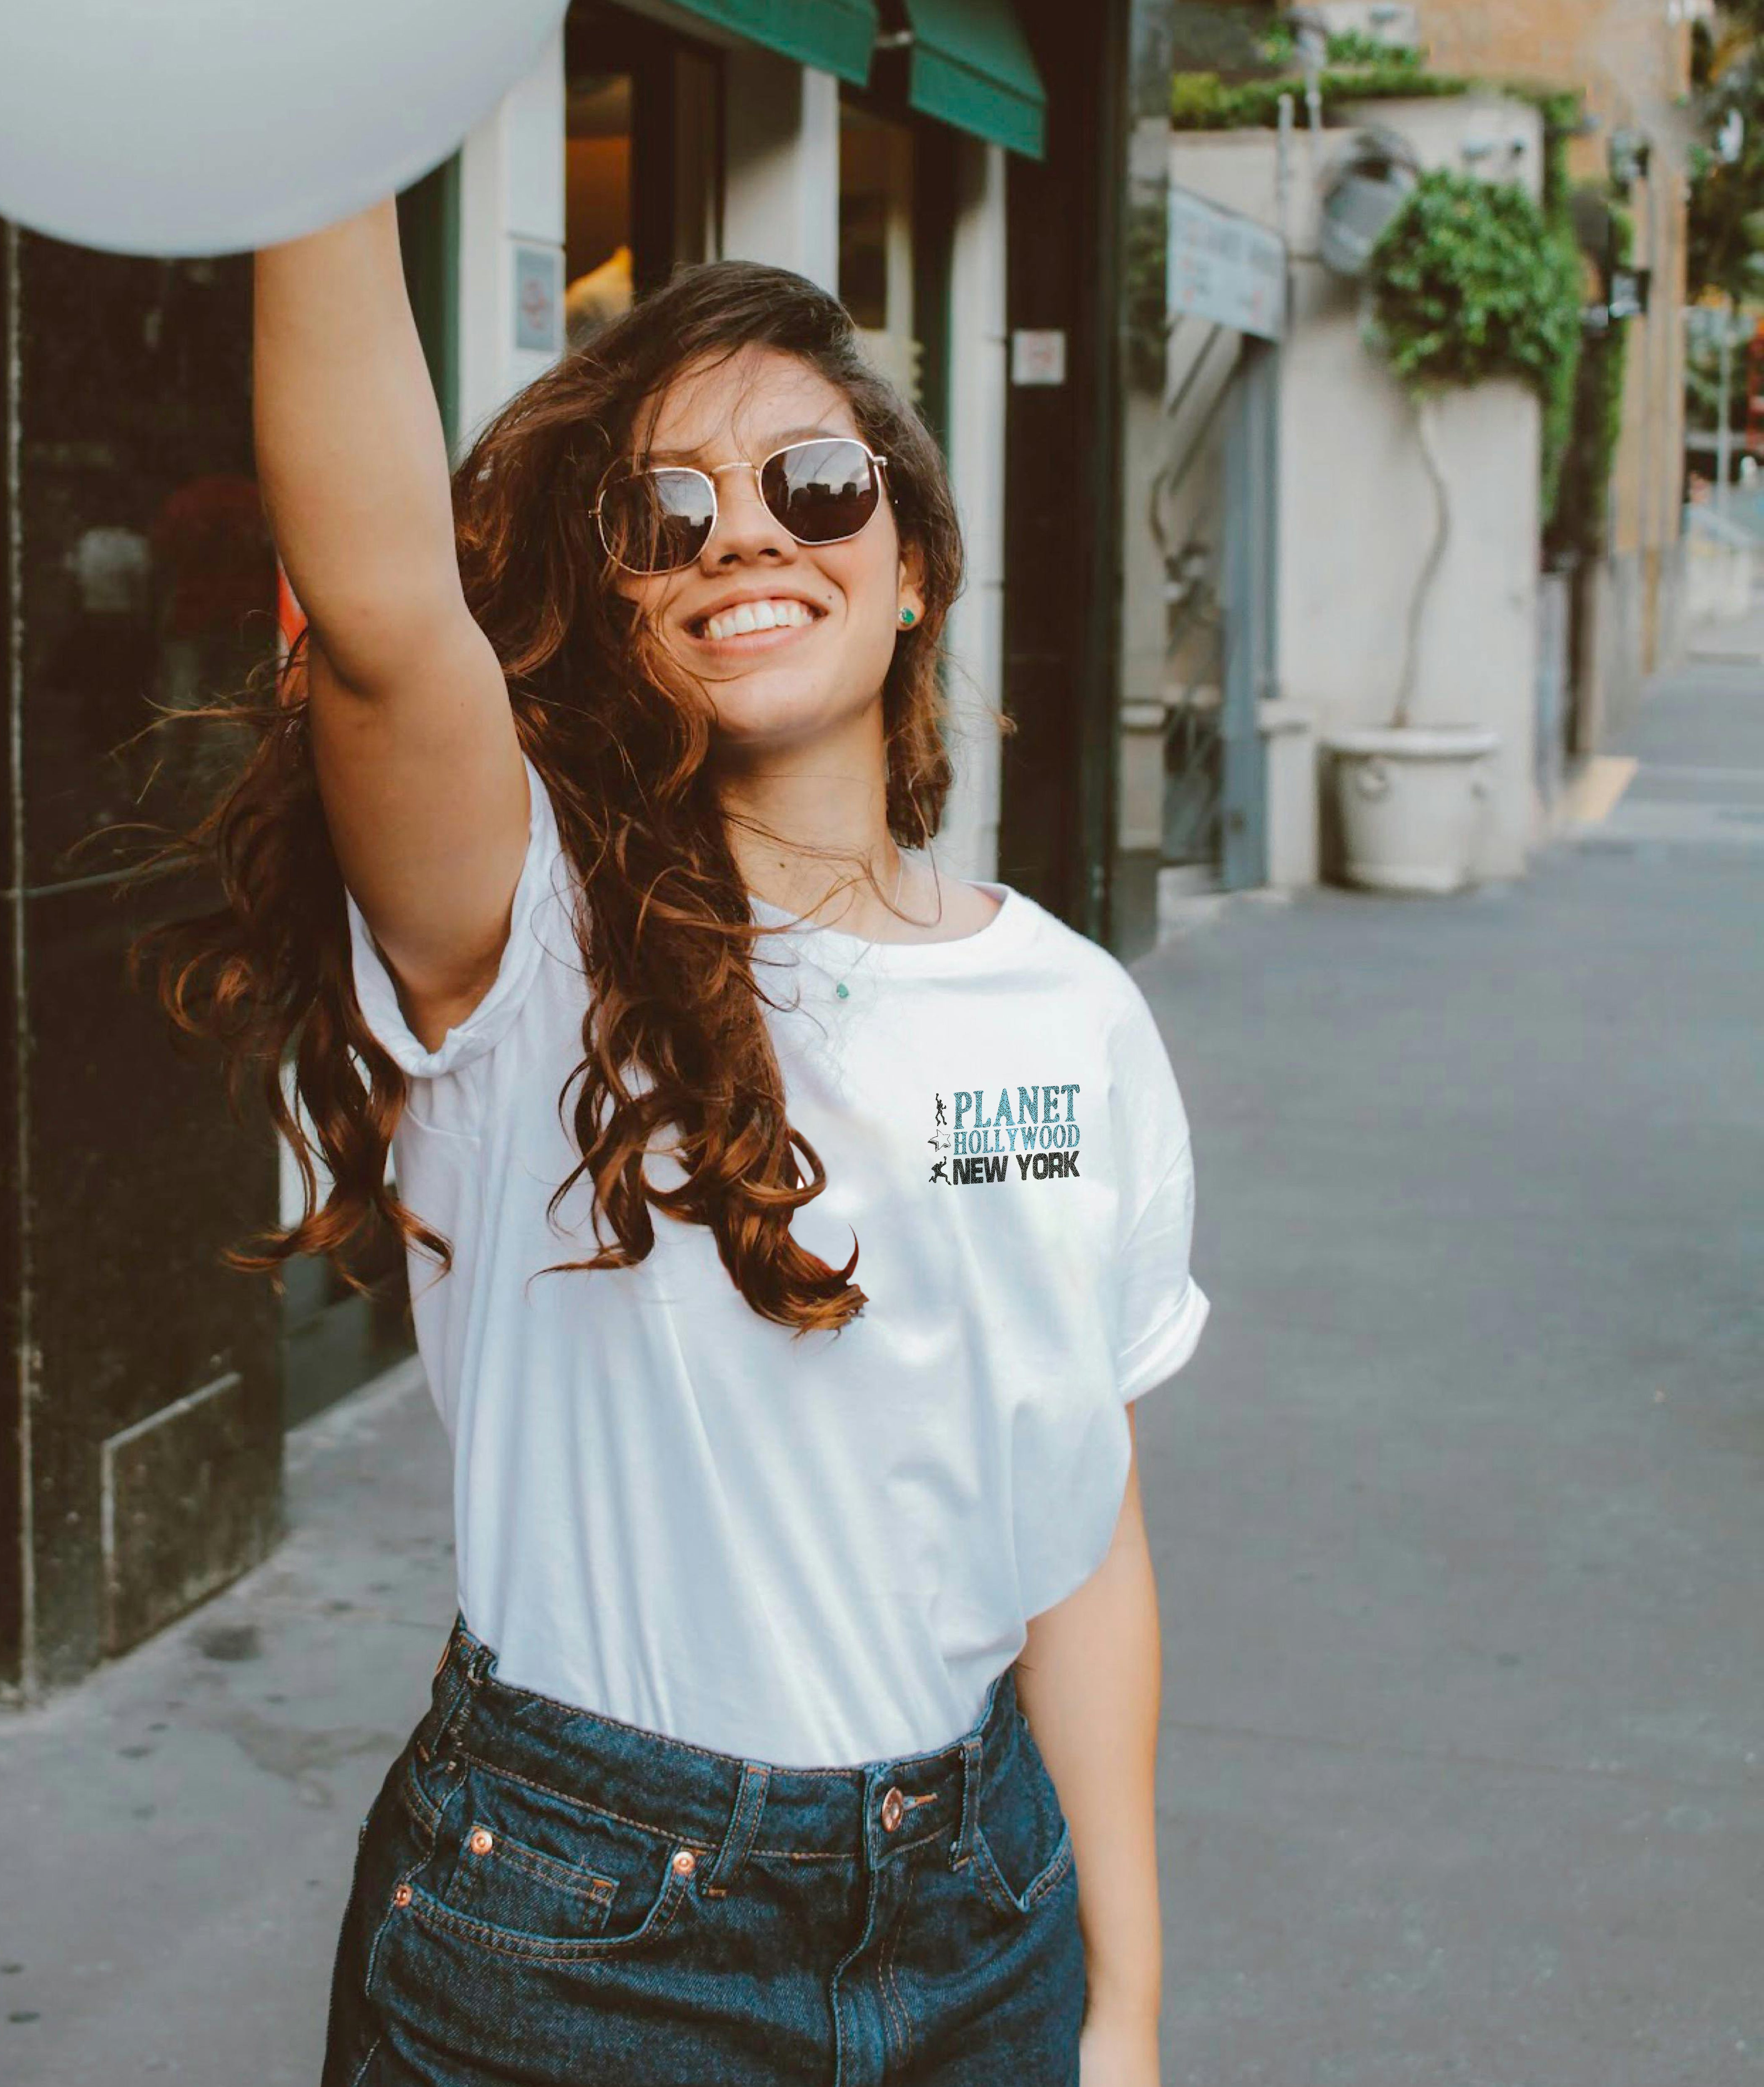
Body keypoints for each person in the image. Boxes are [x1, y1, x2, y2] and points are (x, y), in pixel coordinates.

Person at [142, 200, 1209, 2087]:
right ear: (622, 604)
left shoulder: (1072, 1013)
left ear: (912, 572)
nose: (741, 533)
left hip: (982, 1906)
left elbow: (1083, 1527)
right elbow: (385, 616)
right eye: (661, 515)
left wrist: (1119, 2002)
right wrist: (322, 137)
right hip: (582, 1929)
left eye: (812, 482)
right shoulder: (526, 934)